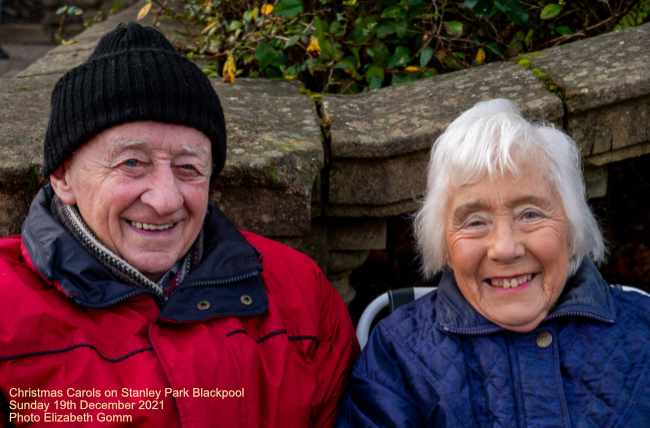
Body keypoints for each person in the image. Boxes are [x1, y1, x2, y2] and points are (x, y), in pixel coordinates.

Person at [0, 22, 358, 427]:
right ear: (63, 176)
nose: (165, 199)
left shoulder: (300, 293)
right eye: (132, 163)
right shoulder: (7, 308)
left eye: (188, 168)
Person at [336, 99, 650, 427]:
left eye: (530, 214)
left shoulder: (643, 330)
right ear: (444, 244)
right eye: (474, 221)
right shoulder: (398, 353)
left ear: (572, 228)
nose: (504, 248)